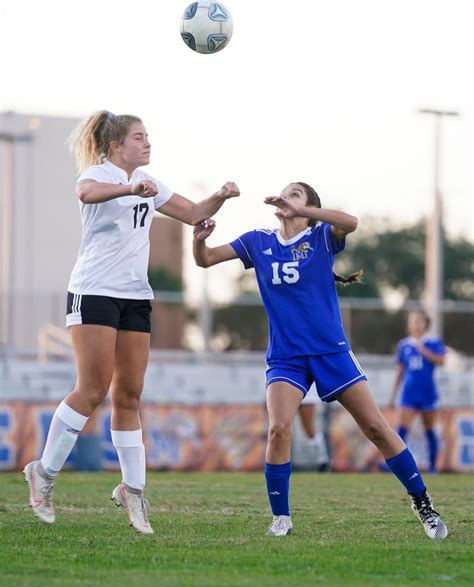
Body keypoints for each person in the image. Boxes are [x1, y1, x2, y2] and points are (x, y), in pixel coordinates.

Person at [23, 110, 239, 534]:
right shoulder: (99, 174)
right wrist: (128, 187)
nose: (146, 143)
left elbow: (194, 212)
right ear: (115, 146)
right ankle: (43, 475)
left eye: (147, 137)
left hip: (135, 296)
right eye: (138, 137)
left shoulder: (148, 180)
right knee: (91, 389)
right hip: (95, 291)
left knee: (130, 394)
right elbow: (86, 194)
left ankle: (133, 491)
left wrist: (220, 196)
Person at [192, 181, 448, 540]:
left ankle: (422, 502)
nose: (286, 197)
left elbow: (352, 221)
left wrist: (304, 212)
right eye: (286, 193)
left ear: (309, 208)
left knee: (375, 427)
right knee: (278, 428)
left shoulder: (322, 237)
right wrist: (198, 238)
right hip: (286, 357)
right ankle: (281, 518)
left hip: (331, 352)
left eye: (296, 194)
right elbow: (203, 260)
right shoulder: (258, 241)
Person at [388, 310, 446, 473]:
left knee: (430, 430)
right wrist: (393, 395)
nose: (416, 324)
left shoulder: (433, 342)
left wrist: (424, 350)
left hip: (428, 392)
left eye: (419, 321)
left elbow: (442, 360)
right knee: (402, 430)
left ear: (426, 324)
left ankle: (433, 467)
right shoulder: (404, 345)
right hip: (409, 393)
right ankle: (397, 466)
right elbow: (400, 371)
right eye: (413, 321)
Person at [297, 386, 330, 470]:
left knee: (309, 430)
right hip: (284, 383)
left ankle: (323, 459)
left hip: (305, 388)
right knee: (281, 426)